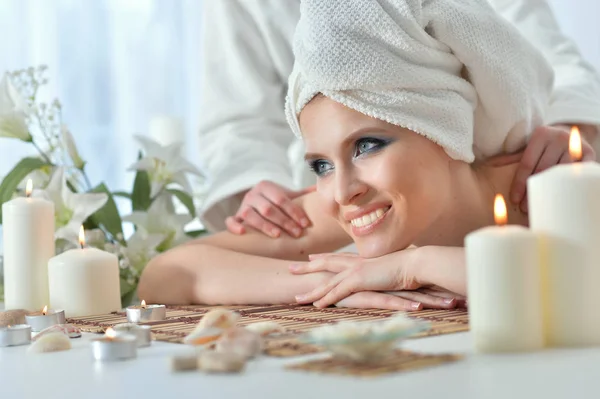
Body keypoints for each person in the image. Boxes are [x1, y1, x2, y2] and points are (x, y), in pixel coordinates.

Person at [138, 0, 582, 310]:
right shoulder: (347, 202)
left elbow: (574, 287)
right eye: (320, 165)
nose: (343, 191)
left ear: (441, 127)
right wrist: (335, 283)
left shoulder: (552, 187)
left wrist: (411, 267)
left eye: (368, 145)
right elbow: (169, 274)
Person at [197, 0, 600, 238]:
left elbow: (543, 60)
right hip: (340, 230)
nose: (342, 189)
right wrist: (257, 193)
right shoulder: (325, 210)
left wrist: (569, 132)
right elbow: (238, 119)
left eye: (369, 144)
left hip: (496, 183)